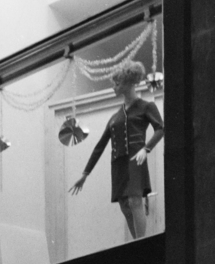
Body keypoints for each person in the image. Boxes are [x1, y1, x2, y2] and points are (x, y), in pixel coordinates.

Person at [70, 60, 165, 240]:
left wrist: (147, 148)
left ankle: (142, 243)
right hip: (118, 163)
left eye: (117, 83)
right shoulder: (115, 117)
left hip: (135, 159)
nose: (114, 87)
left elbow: (160, 128)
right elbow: (100, 145)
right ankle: (136, 242)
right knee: (124, 204)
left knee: (135, 200)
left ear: (128, 83)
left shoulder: (146, 106)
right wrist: (85, 174)